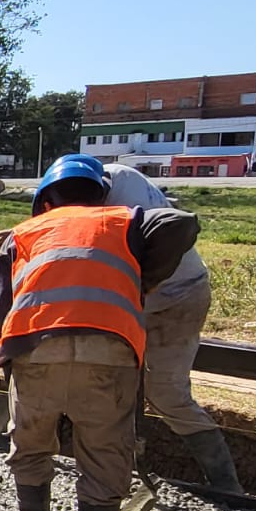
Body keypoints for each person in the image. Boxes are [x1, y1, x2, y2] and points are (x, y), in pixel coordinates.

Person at [0, 155, 200, 511]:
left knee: (29, 454)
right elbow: (182, 223)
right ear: (99, 192)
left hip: (34, 350)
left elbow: (0, 311)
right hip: (109, 353)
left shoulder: (21, 235)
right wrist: (142, 278)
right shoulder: (125, 220)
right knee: (104, 465)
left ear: (45, 198)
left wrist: (11, 364)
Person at [100, 164, 242, 491]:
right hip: (133, 300)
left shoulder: (123, 191)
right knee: (106, 386)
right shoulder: (99, 186)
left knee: (166, 393)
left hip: (178, 296)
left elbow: (158, 238)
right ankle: (113, 469)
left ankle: (226, 485)